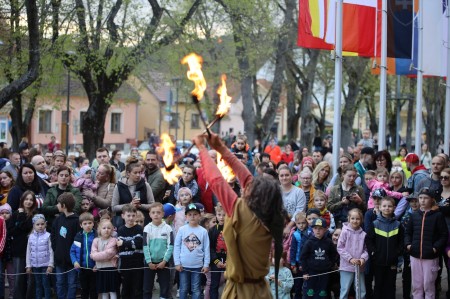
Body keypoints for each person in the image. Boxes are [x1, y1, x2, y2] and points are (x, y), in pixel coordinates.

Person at [193, 132, 285, 298]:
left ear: (255, 195)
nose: (246, 186)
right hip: (261, 291)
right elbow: (247, 177)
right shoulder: (273, 216)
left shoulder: (242, 212)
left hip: (241, 293)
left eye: (250, 188)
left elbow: (216, 181)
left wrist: (202, 148)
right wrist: (220, 147)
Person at [405, 187, 448, 298]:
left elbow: (444, 235)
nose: (422, 200)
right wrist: (409, 245)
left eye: (426, 198)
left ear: (432, 200)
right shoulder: (414, 215)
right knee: (417, 285)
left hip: (430, 257)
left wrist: (435, 248)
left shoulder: (438, 216)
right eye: (420, 198)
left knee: (428, 285)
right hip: (415, 256)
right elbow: (407, 233)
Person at [366, 197, 403, 299]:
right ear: (380, 207)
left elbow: (401, 241)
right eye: (384, 206)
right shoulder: (375, 224)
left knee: (391, 285)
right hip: (378, 261)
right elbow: (369, 240)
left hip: (392, 262)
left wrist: (397, 252)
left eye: (390, 206)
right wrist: (374, 252)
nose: (387, 208)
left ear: (394, 208)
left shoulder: (398, 224)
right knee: (378, 284)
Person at [174, 203, 210, 299]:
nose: (192, 216)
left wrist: (206, 264)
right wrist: (177, 262)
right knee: (183, 288)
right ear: (186, 216)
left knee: (196, 289)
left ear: (199, 215)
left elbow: (206, 248)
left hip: (197, 266)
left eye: (195, 214)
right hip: (183, 266)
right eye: (190, 214)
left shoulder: (203, 231)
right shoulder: (182, 230)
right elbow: (176, 246)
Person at [51, 193, 80, 299]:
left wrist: (74, 256)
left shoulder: (77, 221)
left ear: (63, 205)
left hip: (72, 261)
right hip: (59, 259)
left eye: (58, 203)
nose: (57, 206)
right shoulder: (58, 220)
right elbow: (53, 236)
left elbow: (78, 240)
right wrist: (56, 250)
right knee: (60, 282)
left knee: (72, 283)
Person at [300, 218, 338, 298]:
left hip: (324, 273)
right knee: (310, 293)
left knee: (322, 293)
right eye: (315, 228)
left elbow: (333, 254)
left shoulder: (328, 242)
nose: (318, 231)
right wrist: (305, 272)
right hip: (311, 273)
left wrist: (330, 264)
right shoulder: (309, 242)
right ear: (312, 229)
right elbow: (303, 257)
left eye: (320, 228)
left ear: (325, 229)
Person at [143, 202, 174, 299]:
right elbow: (145, 245)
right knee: (147, 288)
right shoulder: (147, 228)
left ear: (163, 214)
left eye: (158, 212)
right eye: (153, 212)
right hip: (150, 264)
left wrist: (164, 261)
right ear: (150, 214)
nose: (156, 214)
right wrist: (149, 262)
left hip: (163, 263)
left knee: (164, 288)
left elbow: (171, 245)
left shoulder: (168, 228)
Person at [112, 157, 154, 226]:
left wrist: (140, 205)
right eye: (135, 173)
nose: (138, 175)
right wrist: (129, 205)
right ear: (128, 173)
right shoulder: (119, 186)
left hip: (142, 222)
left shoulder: (145, 185)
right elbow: (114, 207)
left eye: (140, 172)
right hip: (124, 224)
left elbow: (152, 205)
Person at [337, 208, 368, 299]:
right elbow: (340, 247)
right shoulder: (345, 231)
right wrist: (350, 259)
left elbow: (366, 250)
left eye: (357, 219)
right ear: (349, 219)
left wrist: (363, 258)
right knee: (345, 289)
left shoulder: (363, 234)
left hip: (359, 267)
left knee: (361, 290)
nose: (355, 221)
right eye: (353, 218)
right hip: (346, 266)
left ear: (361, 220)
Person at [116, 204, 144, 298]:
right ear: (123, 216)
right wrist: (132, 244)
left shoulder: (139, 229)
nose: (131, 218)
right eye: (128, 215)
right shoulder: (120, 229)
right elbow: (121, 247)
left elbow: (139, 244)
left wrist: (124, 243)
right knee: (125, 289)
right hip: (125, 264)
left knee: (137, 289)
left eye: (133, 215)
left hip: (137, 263)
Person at [25, 214, 53, 299]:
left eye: (42, 224)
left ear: (45, 224)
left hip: (45, 266)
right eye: (37, 224)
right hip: (35, 266)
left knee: (46, 284)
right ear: (33, 225)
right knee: (38, 285)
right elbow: (28, 252)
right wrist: (28, 265)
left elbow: (51, 251)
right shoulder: (30, 237)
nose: (40, 226)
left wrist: (50, 265)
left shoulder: (48, 236)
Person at [90, 218, 119, 299]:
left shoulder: (113, 240)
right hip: (100, 269)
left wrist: (96, 257)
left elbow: (109, 253)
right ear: (99, 230)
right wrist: (96, 256)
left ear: (112, 230)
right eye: (104, 228)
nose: (106, 230)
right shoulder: (96, 241)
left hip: (111, 268)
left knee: (112, 291)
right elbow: (93, 254)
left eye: (109, 228)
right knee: (104, 292)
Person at [70, 212, 97, 299]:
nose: (88, 225)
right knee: (84, 290)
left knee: (94, 290)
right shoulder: (78, 237)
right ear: (81, 225)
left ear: (93, 223)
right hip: (82, 269)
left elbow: (100, 251)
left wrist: (97, 265)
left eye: (90, 223)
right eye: (85, 224)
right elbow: (72, 251)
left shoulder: (97, 236)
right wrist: (75, 262)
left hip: (94, 269)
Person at [278, 165, 306, 235]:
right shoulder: (275, 191)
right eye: (281, 175)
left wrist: (288, 227)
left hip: (295, 227)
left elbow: (299, 211)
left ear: (291, 176)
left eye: (287, 175)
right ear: (278, 177)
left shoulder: (299, 192)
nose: (284, 178)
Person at [209, 204, 227, 299]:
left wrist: (229, 261)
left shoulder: (232, 229)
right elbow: (210, 248)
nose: (222, 217)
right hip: (216, 261)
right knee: (214, 284)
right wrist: (216, 261)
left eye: (224, 215)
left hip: (229, 261)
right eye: (219, 214)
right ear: (216, 215)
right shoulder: (212, 231)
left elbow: (234, 248)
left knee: (230, 284)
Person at [289, 212, 308, 299]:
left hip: (307, 263)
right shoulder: (295, 235)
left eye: (303, 223)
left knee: (307, 284)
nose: (301, 225)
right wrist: (293, 264)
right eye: (299, 223)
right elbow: (292, 250)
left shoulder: (310, 233)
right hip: (297, 262)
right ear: (296, 223)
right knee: (297, 284)